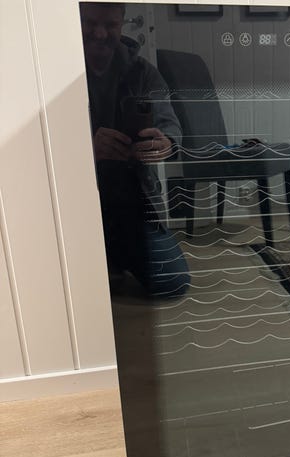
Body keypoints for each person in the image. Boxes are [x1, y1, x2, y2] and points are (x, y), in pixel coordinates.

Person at [80, 2, 190, 297]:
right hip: (75, 201)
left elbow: (170, 126)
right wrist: (85, 150)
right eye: (90, 23)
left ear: (122, 24)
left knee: (173, 282)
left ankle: (112, 253)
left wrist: (165, 143)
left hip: (133, 199)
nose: (100, 33)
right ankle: (108, 253)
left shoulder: (143, 72)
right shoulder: (55, 72)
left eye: (110, 25)